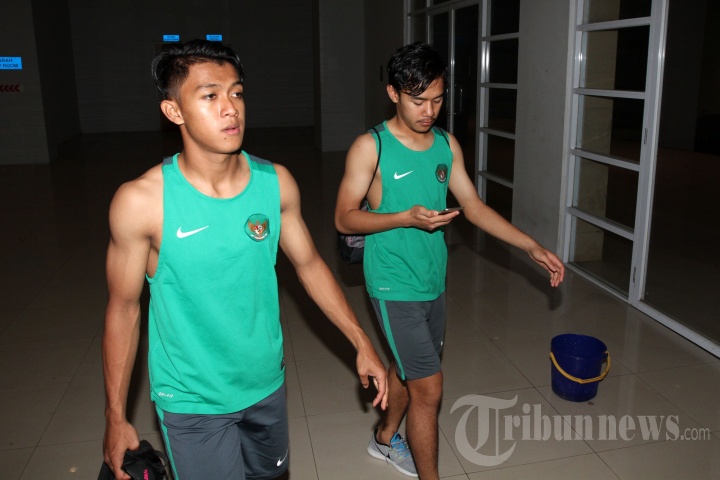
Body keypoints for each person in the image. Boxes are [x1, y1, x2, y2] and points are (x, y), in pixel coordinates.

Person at [102, 39, 388, 480]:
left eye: (236, 93)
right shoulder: (141, 202)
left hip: (265, 385)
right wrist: (115, 415)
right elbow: (123, 309)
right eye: (209, 96)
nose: (230, 108)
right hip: (192, 399)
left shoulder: (275, 184)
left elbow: (310, 265)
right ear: (174, 111)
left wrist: (361, 341)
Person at [334, 42, 565, 479]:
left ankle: (384, 437)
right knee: (430, 389)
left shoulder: (446, 144)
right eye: (418, 100)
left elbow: (473, 207)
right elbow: (344, 217)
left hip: (433, 280)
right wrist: (404, 217)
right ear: (393, 93)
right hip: (392, 283)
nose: (429, 111)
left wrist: (530, 245)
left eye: (437, 100)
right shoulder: (371, 147)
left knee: (409, 369)